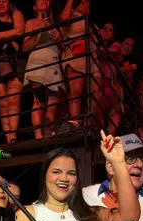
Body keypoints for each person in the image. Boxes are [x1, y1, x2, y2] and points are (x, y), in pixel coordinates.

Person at [23, 0, 64, 139]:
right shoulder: (31, 23)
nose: (45, 1)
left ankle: (48, 134)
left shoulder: (57, 22)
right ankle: (38, 136)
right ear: (34, 7)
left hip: (53, 60)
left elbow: (63, 47)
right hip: (38, 60)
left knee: (53, 101)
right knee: (39, 100)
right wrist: (39, 30)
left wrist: (59, 39)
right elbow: (25, 47)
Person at [0, 0, 24, 144]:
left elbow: (19, 31)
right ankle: (9, 139)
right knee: (3, 104)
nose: (1, 3)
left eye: (4, 1)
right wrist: (8, 38)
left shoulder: (16, 14)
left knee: (13, 99)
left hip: (13, 62)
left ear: (9, 3)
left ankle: (13, 135)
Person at [60, 0, 91, 129]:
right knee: (76, 91)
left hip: (84, 58)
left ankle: (80, 123)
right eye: (87, 3)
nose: (89, 7)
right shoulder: (72, 14)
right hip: (74, 55)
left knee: (81, 92)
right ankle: (75, 125)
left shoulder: (86, 21)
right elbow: (64, 18)